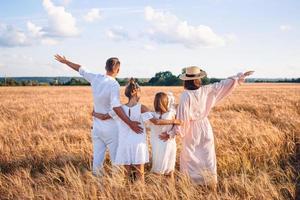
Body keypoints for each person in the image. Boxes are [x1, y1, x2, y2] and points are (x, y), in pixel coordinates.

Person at [160, 66, 254, 188]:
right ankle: (211, 186)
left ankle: (190, 187)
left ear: (186, 80)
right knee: (208, 157)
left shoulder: (185, 95)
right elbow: (223, 84)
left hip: (191, 129)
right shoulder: (207, 89)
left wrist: (171, 133)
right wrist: (240, 76)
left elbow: (182, 119)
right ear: (198, 79)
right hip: (205, 127)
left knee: (190, 158)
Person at [54, 55, 143, 176]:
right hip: (111, 129)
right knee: (116, 160)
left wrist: (65, 62)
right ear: (118, 70)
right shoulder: (114, 84)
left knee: (97, 160)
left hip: (97, 127)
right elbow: (116, 107)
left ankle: (97, 186)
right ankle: (115, 186)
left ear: (105, 67)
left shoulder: (95, 78)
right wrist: (130, 123)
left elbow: (80, 68)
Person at [93, 78, 181, 183]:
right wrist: (175, 121)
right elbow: (156, 121)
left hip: (124, 144)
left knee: (125, 176)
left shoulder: (119, 108)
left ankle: (125, 194)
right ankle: (141, 194)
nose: (140, 95)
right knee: (140, 174)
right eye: (139, 93)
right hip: (138, 144)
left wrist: (94, 113)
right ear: (135, 92)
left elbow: (103, 117)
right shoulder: (141, 108)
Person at [149, 92, 181, 180]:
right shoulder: (171, 113)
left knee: (158, 170)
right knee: (169, 171)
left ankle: (155, 191)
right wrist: (171, 134)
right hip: (168, 143)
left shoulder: (152, 115)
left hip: (158, 144)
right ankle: (171, 192)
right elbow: (177, 128)